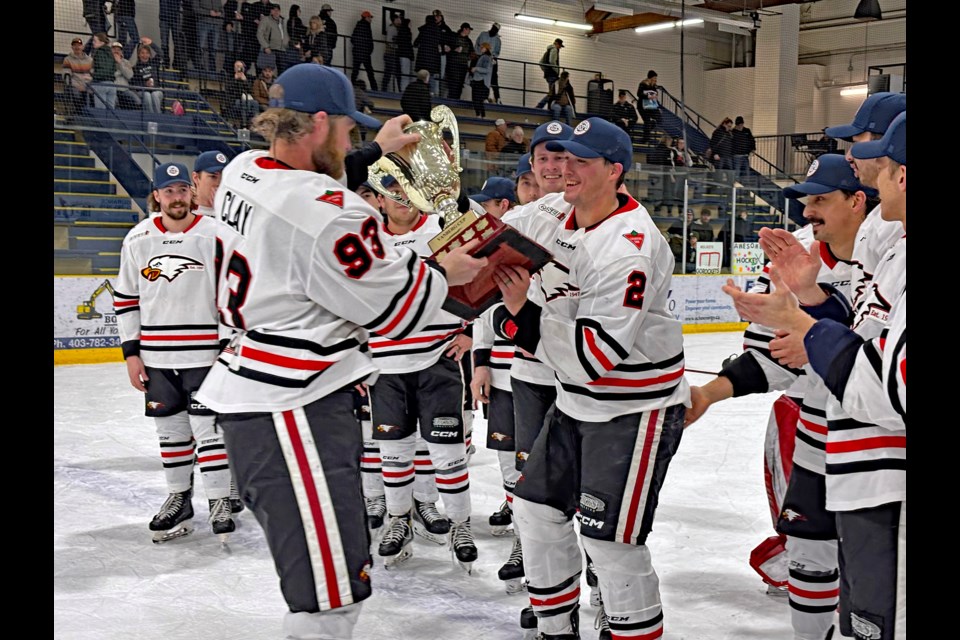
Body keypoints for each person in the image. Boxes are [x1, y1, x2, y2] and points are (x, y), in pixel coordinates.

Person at [194, 64, 488, 640]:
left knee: (329, 584)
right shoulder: (333, 213)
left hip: (257, 386)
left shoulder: (241, 170)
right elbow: (393, 309)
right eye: (349, 133)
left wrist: (372, 152)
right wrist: (444, 271)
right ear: (320, 123)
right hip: (293, 407)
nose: (354, 142)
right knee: (328, 601)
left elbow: (300, 196)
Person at [493, 118, 689, 639]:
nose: (566, 170)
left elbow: (593, 358)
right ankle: (557, 629)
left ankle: (629, 628)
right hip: (577, 402)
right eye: (562, 158)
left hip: (633, 406)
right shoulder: (559, 211)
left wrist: (519, 314)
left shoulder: (628, 246)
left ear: (615, 171)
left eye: (581, 161)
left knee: (609, 542)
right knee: (534, 512)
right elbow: (500, 230)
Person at [724, 109, 907, 640]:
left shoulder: (885, 240)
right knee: (849, 597)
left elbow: (889, 386)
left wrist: (805, 323)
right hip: (850, 455)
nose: (858, 159)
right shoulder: (891, 244)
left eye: (876, 153)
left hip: (883, 470)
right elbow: (863, 338)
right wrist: (810, 303)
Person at [691, 154, 877, 639]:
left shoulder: (885, 263)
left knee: (874, 576)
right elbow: (769, 359)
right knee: (809, 554)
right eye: (805, 201)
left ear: (857, 201)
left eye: (820, 200)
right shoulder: (794, 266)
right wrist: (709, 393)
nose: (807, 212)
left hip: (879, 449)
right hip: (816, 439)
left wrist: (812, 327)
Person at [114, 161, 242, 545]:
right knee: (170, 433)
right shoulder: (138, 239)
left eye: (182, 189)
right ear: (156, 195)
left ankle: (219, 500)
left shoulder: (216, 234)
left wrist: (227, 346)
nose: (176, 197)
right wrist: (131, 354)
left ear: (191, 192)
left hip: (206, 356)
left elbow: (232, 294)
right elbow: (126, 298)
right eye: (168, 191)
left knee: (210, 433)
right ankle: (179, 498)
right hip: (157, 357)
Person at [367, 175, 478, 571]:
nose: (400, 198)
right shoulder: (366, 239)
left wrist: (471, 330)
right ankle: (399, 519)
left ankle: (461, 524)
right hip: (385, 366)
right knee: (393, 452)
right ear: (379, 199)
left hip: (437, 359)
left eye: (406, 190)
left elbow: (482, 276)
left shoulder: (441, 229)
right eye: (391, 192)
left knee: (447, 452)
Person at [62, 37, 94, 115]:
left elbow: (93, 75)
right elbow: (66, 75)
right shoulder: (67, 59)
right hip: (75, 85)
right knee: (75, 93)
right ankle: (79, 113)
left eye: (79, 45)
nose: (77, 47)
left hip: (87, 85)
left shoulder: (90, 60)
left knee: (95, 94)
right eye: (75, 45)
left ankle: (89, 114)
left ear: (82, 47)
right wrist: (76, 85)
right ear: (72, 47)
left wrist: (86, 86)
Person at [192, 150, 229, 216]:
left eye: (224, 177)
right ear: (196, 178)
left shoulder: (233, 215)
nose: (219, 183)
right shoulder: (183, 213)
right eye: (213, 177)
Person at [414, 13, 442, 96]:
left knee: (421, 76)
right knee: (431, 77)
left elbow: (415, 43)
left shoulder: (423, 30)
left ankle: (419, 92)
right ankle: (431, 93)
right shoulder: (437, 31)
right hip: (433, 59)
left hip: (422, 58)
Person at [445, 22, 474, 100]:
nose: (469, 32)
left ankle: (456, 100)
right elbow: (447, 48)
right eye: (469, 30)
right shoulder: (454, 37)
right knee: (453, 83)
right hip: (453, 64)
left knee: (460, 84)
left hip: (462, 66)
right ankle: (451, 99)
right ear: (464, 29)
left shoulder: (469, 41)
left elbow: (472, 53)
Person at [475, 22, 502, 104]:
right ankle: (483, 97)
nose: (494, 30)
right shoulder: (483, 34)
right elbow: (477, 45)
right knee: (481, 78)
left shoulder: (497, 40)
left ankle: (497, 98)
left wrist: (492, 57)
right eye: (493, 28)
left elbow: (497, 52)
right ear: (491, 27)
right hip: (481, 58)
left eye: (496, 29)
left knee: (493, 79)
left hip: (491, 60)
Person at [351, 10, 378, 91]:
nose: (371, 19)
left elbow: (353, 39)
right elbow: (368, 40)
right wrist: (368, 49)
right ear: (366, 17)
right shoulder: (366, 26)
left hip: (358, 52)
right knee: (370, 72)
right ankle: (375, 89)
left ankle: (351, 86)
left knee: (355, 70)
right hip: (364, 53)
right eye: (370, 17)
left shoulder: (358, 26)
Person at [90, 33, 117, 109]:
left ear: (102, 42)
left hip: (101, 84)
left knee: (100, 110)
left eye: (95, 41)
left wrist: (92, 75)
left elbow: (103, 70)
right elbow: (114, 69)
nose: (93, 42)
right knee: (110, 111)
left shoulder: (99, 52)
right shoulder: (111, 53)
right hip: (112, 84)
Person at [110, 42, 141, 110]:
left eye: (118, 50)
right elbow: (110, 74)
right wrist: (121, 72)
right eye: (114, 49)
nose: (116, 51)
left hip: (124, 89)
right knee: (114, 101)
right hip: (112, 89)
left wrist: (120, 63)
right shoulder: (107, 61)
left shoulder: (126, 62)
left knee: (137, 101)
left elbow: (129, 75)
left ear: (121, 51)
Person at [197, 0, 224, 72]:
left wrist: (219, 13)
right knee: (201, 45)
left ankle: (212, 68)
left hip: (216, 24)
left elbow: (222, 10)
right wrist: (208, 13)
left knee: (214, 47)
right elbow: (195, 8)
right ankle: (199, 65)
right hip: (203, 22)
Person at [535, 39, 563, 109]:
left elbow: (540, 63)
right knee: (552, 93)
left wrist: (545, 70)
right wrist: (556, 71)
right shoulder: (554, 50)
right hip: (552, 75)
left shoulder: (547, 51)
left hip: (548, 75)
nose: (560, 48)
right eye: (560, 46)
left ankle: (547, 107)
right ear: (557, 44)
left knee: (552, 93)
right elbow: (552, 61)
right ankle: (540, 106)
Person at [470, 41, 494, 118]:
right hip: (481, 81)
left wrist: (476, 68)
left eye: (482, 47)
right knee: (479, 100)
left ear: (486, 48)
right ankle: (482, 115)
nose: (481, 48)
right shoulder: (486, 57)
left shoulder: (486, 57)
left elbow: (486, 70)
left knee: (476, 99)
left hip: (480, 81)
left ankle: (479, 115)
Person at [636, 69, 660, 142]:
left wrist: (655, 97)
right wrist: (648, 96)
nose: (656, 79)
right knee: (647, 121)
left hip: (651, 106)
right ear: (651, 78)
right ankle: (646, 138)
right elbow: (639, 94)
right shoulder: (643, 84)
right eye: (655, 78)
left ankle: (647, 131)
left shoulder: (654, 86)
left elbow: (655, 94)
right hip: (642, 106)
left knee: (658, 118)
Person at [381, 13, 402, 93]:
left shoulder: (397, 29)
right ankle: (384, 89)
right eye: (398, 19)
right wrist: (396, 46)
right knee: (389, 72)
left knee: (396, 72)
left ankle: (398, 89)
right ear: (395, 20)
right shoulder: (392, 29)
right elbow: (389, 41)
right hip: (390, 53)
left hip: (393, 53)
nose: (400, 20)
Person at [732, 116, 756, 184]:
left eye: (741, 125)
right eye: (738, 125)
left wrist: (753, 149)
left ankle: (746, 186)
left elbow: (752, 140)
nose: (740, 126)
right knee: (737, 172)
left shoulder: (746, 131)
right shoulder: (733, 132)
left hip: (745, 155)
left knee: (746, 172)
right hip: (736, 155)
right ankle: (735, 186)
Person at [396, 17, 415, 91]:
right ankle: (404, 90)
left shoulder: (401, 31)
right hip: (405, 55)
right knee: (405, 74)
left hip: (403, 54)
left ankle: (404, 90)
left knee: (405, 74)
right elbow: (408, 45)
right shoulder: (406, 31)